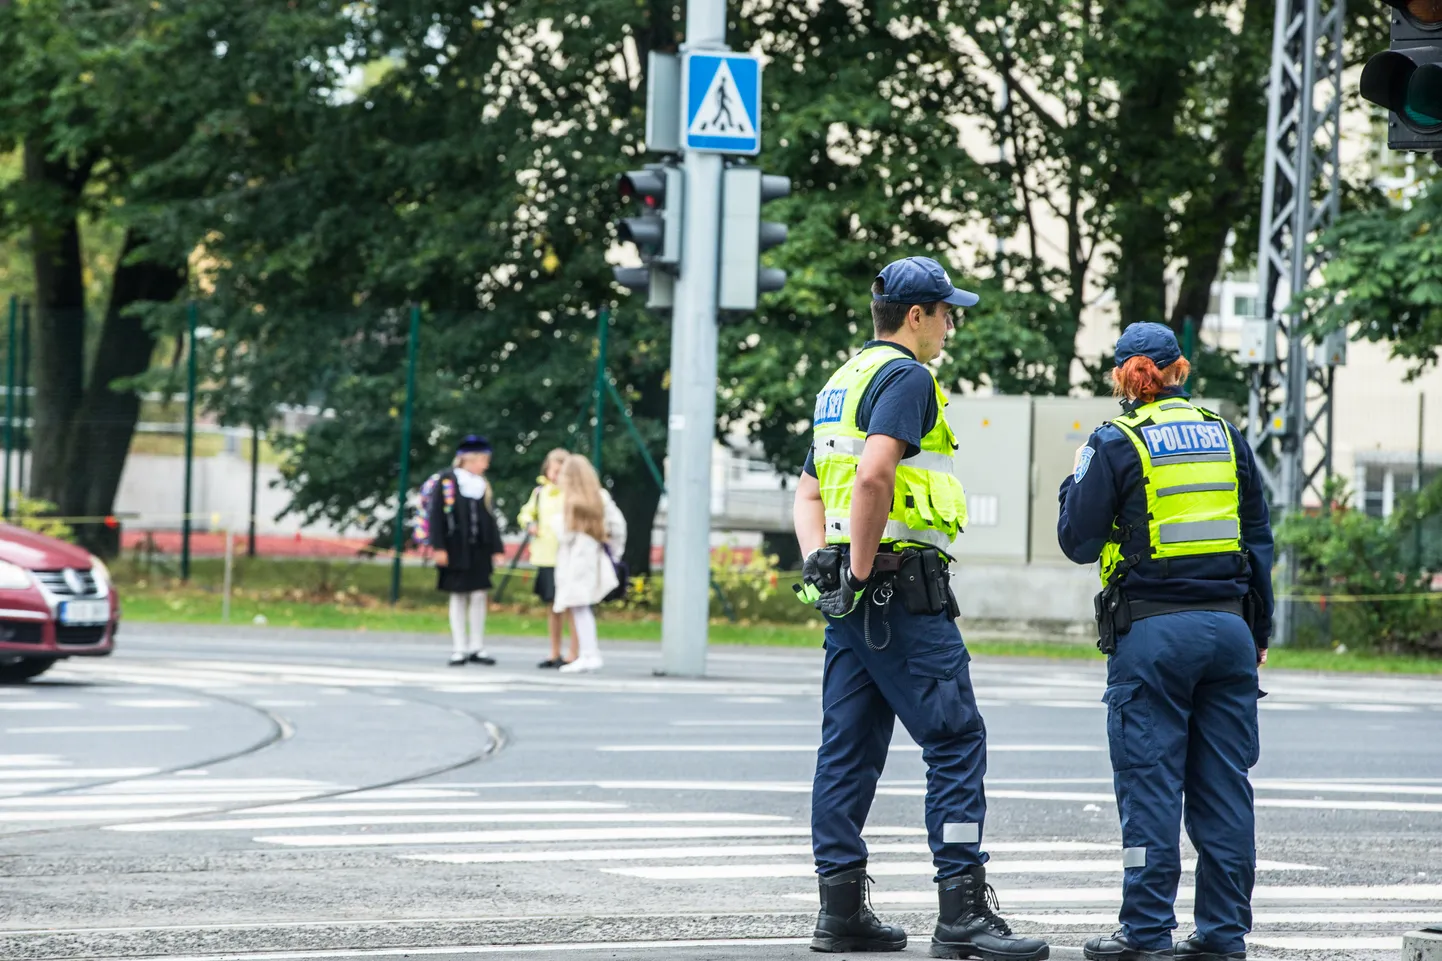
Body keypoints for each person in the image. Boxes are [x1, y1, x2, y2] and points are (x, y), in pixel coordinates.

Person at [792, 256, 1048, 961]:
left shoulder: (840, 381)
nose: (949, 325)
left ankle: (840, 912)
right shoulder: (907, 377)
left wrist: (828, 568)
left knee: (846, 752)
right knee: (956, 738)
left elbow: (809, 494)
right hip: (900, 595)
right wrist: (865, 567)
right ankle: (961, 909)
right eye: (945, 312)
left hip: (850, 606)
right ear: (916, 316)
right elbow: (875, 472)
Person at [1056, 322, 1274, 961]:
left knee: (1150, 786)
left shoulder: (1115, 441)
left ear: (1125, 377)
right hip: (1229, 631)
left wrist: (1077, 478)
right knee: (1224, 787)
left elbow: (1078, 541)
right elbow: (1256, 539)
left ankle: (1146, 932)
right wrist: (1256, 630)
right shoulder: (1228, 436)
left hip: (1151, 635)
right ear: (1178, 369)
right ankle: (1222, 935)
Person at [428, 435, 505, 667]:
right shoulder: (448, 481)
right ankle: (459, 647)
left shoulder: (481, 485)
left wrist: (496, 548)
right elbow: (436, 516)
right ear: (470, 460)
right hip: (455, 549)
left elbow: (490, 520)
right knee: (459, 595)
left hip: (478, 550)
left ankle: (477, 646)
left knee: (479, 594)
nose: (486, 465)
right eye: (484, 460)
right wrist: (439, 546)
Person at [552, 454, 626, 675]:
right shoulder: (600, 498)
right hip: (594, 556)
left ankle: (589, 653)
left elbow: (564, 535)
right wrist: (615, 552)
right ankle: (588, 653)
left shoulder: (570, 502)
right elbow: (618, 526)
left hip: (575, 559)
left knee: (579, 607)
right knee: (583, 606)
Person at [518, 448, 574, 668]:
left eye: (560, 471)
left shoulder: (572, 493)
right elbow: (525, 513)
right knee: (552, 606)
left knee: (570, 606)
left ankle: (574, 652)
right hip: (546, 556)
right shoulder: (540, 493)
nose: (555, 475)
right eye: (552, 470)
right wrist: (530, 523)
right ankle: (554, 651)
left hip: (568, 556)